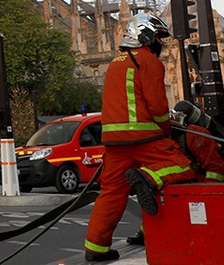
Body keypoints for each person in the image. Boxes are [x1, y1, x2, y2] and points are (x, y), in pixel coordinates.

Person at [83, 13, 196, 262]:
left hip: (114, 143)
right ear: (143, 35)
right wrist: (167, 128)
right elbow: (157, 107)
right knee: (183, 166)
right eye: (158, 37)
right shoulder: (149, 62)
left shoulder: (115, 63)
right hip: (144, 137)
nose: (160, 42)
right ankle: (147, 178)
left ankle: (96, 248)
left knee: (111, 192)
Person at [125, 105, 224, 246]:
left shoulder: (194, 135)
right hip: (185, 182)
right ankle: (146, 231)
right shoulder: (157, 143)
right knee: (158, 195)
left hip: (206, 180)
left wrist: (206, 195)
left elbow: (216, 169)